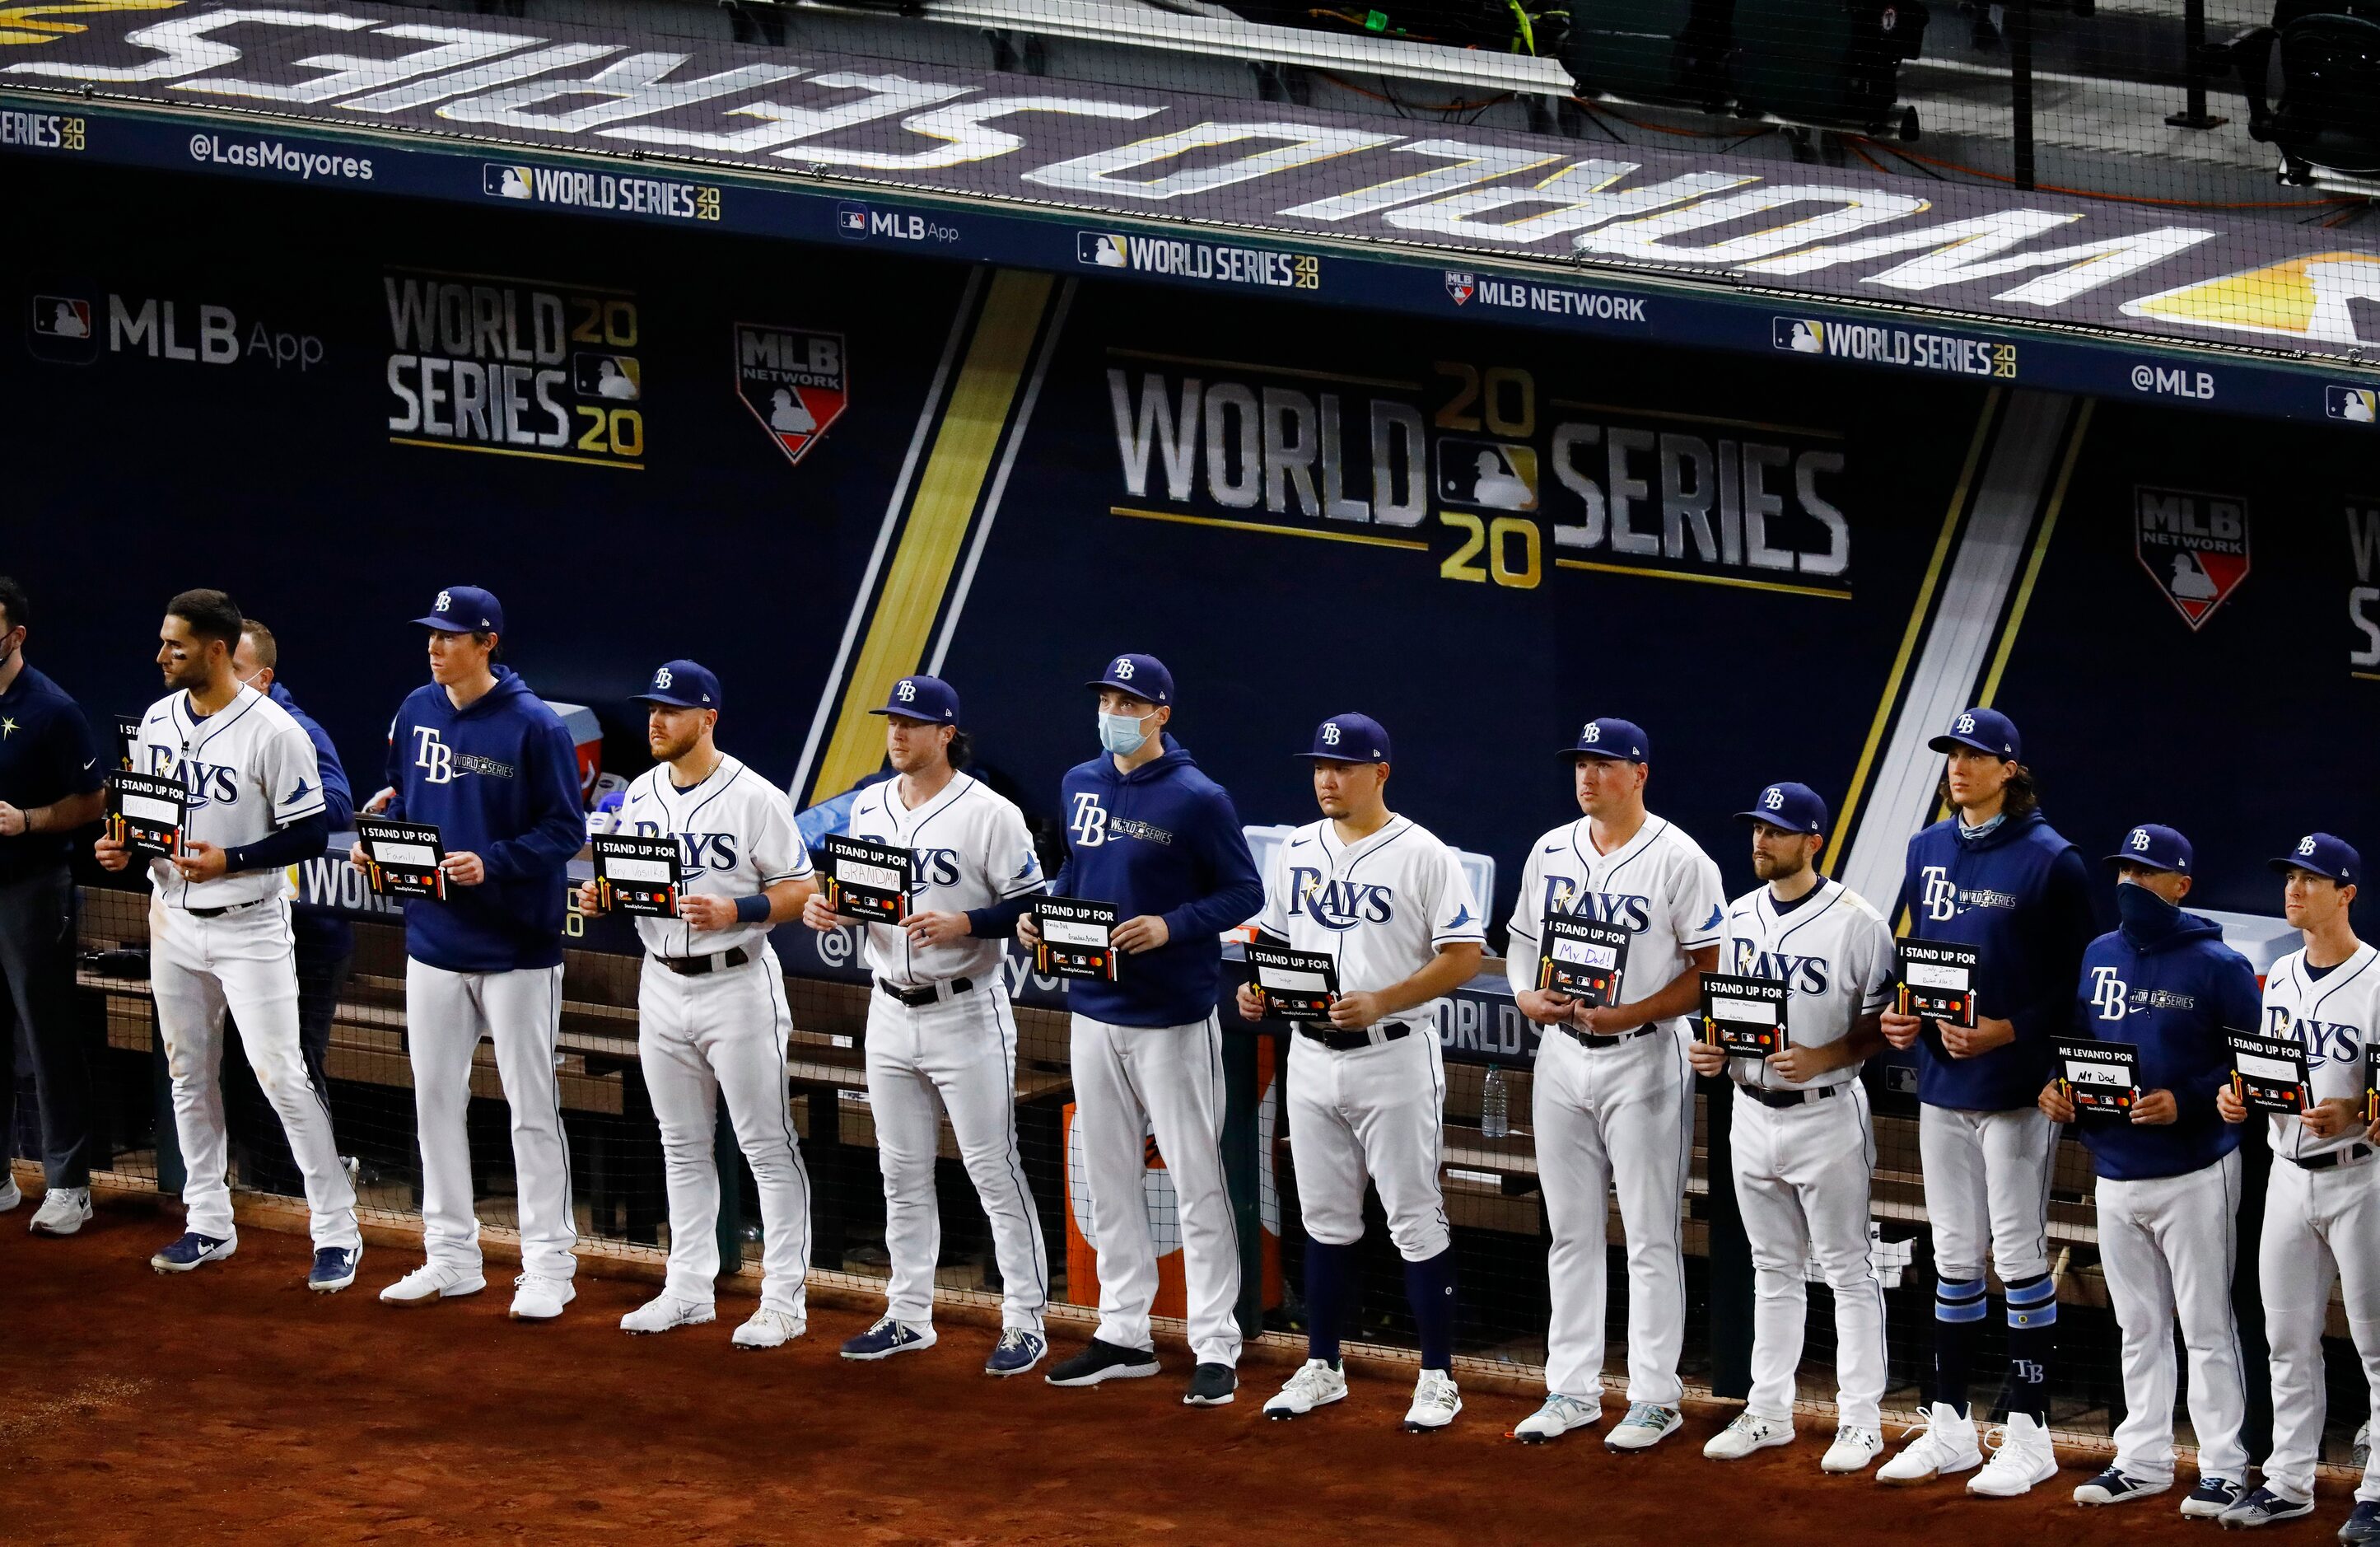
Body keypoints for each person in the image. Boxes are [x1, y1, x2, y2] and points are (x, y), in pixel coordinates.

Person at [96, 589, 360, 1288]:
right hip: (172, 919)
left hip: (249, 924)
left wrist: (233, 860)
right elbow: (146, 810)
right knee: (188, 1072)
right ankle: (208, 1221)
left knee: (282, 1075)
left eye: (176, 646)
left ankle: (337, 1228)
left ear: (216, 651)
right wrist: (122, 846)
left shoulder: (275, 731)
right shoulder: (157, 720)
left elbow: (311, 831)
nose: (161, 656)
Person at [1020, 653, 1262, 1405]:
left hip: (1172, 1018)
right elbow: (1074, 875)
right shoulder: (1078, 780)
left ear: (1161, 712)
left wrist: (1171, 925)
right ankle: (1123, 1334)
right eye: (1105, 697)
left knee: (1196, 1178)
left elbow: (1243, 892)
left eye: (1128, 700)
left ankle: (1216, 1341)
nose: (1112, 710)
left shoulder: (1198, 797)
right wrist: (1045, 921)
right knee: (1109, 1179)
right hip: (1093, 1010)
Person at [805, 675, 1052, 1375]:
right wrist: (836, 909)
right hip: (887, 1008)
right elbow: (860, 892)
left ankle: (1025, 1320)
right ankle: (908, 1314)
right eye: (892, 723)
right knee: (900, 1170)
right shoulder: (872, 804)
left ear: (946, 734)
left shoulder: (990, 813)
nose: (898, 735)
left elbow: (1032, 905)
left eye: (912, 725)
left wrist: (967, 922)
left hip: (966, 1010)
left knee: (992, 1169)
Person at [1241, 714, 1482, 1431]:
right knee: (1324, 1220)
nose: (1326, 779)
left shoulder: (1423, 854)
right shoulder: (1297, 847)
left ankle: (1438, 1377)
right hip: (1311, 1057)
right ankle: (1323, 1365)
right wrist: (1259, 988)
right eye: (1319, 766)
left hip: (1395, 1055)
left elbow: (1464, 954)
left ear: (1380, 773)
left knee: (1413, 1218)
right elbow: (1277, 938)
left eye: (1342, 767)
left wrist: (1384, 997)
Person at [1877, 707, 2093, 1497]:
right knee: (1954, 1257)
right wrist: (1901, 1013)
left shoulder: (2052, 860)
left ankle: (2030, 1433)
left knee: (2018, 1258)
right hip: (1941, 1085)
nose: (1958, 767)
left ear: (2010, 768)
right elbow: (1919, 954)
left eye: (1974, 756)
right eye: (1951, 755)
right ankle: (1950, 1427)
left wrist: (2012, 1031)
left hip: (2016, 1094)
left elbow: (2082, 988)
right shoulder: (1926, 847)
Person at [579, 661, 818, 1348]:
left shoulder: (755, 797)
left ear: (707, 718)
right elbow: (634, 881)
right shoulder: (645, 792)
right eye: (652, 708)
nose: (655, 721)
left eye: (672, 710)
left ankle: (783, 1300)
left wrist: (738, 907)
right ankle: (687, 1289)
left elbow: (801, 890)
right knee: (680, 1144)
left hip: (738, 984)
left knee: (766, 1146)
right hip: (660, 983)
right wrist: (606, 896)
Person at [362, 587, 586, 1320]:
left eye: (450, 636)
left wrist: (493, 862)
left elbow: (565, 831)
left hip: (517, 949)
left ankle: (549, 1265)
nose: (435, 647)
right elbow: (403, 793)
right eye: (430, 634)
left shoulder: (534, 726)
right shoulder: (414, 709)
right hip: (431, 941)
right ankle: (450, 1257)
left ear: (486, 643)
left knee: (530, 1109)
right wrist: (382, 832)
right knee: (433, 1102)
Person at [1505, 717, 1724, 1451]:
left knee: (1651, 1233)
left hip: (1643, 1055)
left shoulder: (1679, 859)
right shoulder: (1549, 848)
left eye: (1604, 764)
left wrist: (1632, 1011)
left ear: (1640, 774)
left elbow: (1710, 969)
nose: (1588, 776)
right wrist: (1525, 997)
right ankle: (1570, 1389)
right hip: (1562, 1055)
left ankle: (1654, 1396)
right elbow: (1523, 943)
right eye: (1581, 764)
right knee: (1569, 1230)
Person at [2038, 824, 2255, 1518]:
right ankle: (2143, 1459)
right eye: (2124, 870)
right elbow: (2078, 1040)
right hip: (2115, 1167)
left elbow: (2253, 1061)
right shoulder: (2098, 953)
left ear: (2180, 885)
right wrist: (2057, 1084)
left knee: (2206, 1324)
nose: (2130, 882)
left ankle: (2224, 1464)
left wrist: (2188, 1100)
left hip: (2194, 1169)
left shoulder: (2218, 964)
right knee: (2138, 1324)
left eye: (2146, 871)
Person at [1688, 782, 1893, 1474]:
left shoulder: (1858, 922)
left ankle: (1861, 1421)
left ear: (1813, 842)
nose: (1760, 841)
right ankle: (1768, 1411)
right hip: (1750, 1110)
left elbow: (1885, 1027)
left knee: (1847, 1270)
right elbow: (1725, 1009)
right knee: (1772, 1267)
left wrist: (1824, 1056)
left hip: (1828, 1114)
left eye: (1776, 831)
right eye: (1756, 829)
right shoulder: (1737, 917)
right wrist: (1712, 1049)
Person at [2214, 834, 2380, 1540]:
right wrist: (2236, 1096)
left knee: (2377, 1345)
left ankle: (2377, 1493)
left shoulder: (2378, 979)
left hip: (2362, 1179)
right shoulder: (2278, 974)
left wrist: (2361, 1111)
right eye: (2289, 876)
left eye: (2310, 880)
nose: (2293, 889)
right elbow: (2263, 1068)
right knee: (2286, 1339)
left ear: (2345, 894)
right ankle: (2288, 1481)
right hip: (2286, 1173)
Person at [224, 619, 355, 1195]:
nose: (223, 681)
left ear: (265, 677)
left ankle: (322, 1192)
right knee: (244, 1068)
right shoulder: (210, 730)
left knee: (296, 1065)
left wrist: (265, 810)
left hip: (309, 934)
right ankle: (271, 1190)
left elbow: (339, 806)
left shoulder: (296, 731)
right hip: (242, 927)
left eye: (236, 671)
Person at [0, 575, 105, 1236]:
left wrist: (30, 819)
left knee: (46, 1040)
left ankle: (69, 1184)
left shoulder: (52, 709)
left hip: (32, 891)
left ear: (15, 635)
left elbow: (93, 800)